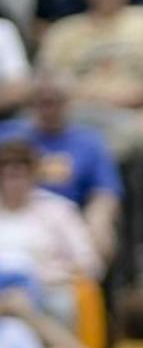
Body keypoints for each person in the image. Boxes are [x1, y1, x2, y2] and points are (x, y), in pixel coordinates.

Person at [38, 0, 143, 161]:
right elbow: (47, 83)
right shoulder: (63, 31)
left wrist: (126, 99)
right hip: (78, 114)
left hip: (134, 113)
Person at [0, 71, 124, 263]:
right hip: (13, 211)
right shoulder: (10, 136)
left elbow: (106, 192)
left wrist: (98, 220)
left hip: (67, 218)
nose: (47, 110)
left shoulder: (89, 141)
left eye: (54, 102)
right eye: (40, 102)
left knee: (99, 232)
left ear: (68, 103)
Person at [0, 137, 102, 321]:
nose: (14, 183)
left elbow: (89, 262)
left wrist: (50, 275)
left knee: (61, 305)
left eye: (21, 175)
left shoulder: (59, 210)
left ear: (33, 175)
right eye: (9, 176)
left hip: (45, 288)